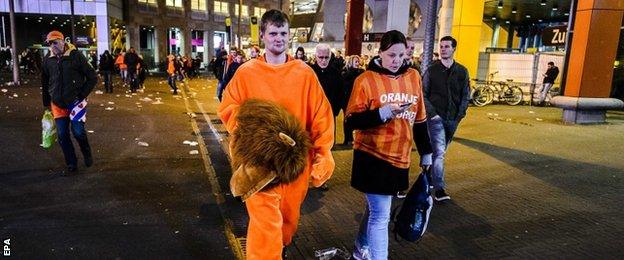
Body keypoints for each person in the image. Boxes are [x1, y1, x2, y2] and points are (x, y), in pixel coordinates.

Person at [217, 9, 335, 259]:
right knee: (265, 228)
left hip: (294, 167)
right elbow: (228, 108)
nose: (278, 38)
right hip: (258, 165)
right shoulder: (247, 73)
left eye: (283, 33)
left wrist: (324, 154)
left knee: (286, 226)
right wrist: (257, 133)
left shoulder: (304, 73)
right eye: (273, 33)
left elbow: (321, 116)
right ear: (262, 36)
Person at [345, 30, 432, 260]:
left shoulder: (413, 77)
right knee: (381, 215)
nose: (396, 60)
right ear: (380, 53)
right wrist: (382, 113)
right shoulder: (365, 81)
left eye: (401, 55)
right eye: (391, 55)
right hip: (372, 156)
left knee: (375, 210)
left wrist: (426, 152)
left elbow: (420, 118)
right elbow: (351, 121)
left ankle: (359, 247)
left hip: (400, 157)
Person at [41, 30, 98, 175]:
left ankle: (86, 153)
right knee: (62, 135)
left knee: (78, 132)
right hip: (57, 103)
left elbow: (92, 77)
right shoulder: (48, 60)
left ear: (62, 41)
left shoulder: (75, 56)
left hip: (76, 101)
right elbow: (45, 81)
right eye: (49, 43)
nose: (52, 46)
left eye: (55, 42)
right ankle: (71, 163)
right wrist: (47, 102)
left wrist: (82, 94)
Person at [423, 36, 470, 202]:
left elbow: (466, 94)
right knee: (439, 153)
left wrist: (460, 114)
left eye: (446, 46)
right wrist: (433, 113)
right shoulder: (432, 70)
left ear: (453, 49)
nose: (443, 49)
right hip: (436, 118)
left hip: (453, 119)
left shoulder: (462, 71)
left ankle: (427, 175)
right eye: (441, 46)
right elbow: (423, 94)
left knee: (439, 152)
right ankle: (439, 188)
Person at [312, 43, 344, 138]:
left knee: (328, 142)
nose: (323, 60)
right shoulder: (309, 71)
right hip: (313, 113)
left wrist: (335, 110)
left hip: (330, 112)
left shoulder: (336, 73)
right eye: (321, 57)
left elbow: (340, 93)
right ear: (316, 56)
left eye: (326, 57)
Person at [341, 55, 364, 145]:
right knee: (347, 119)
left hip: (358, 99)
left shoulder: (361, 72)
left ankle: (358, 139)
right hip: (348, 99)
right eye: (356, 62)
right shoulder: (345, 72)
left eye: (358, 62)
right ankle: (348, 139)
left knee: (359, 119)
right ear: (351, 62)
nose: (358, 64)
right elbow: (344, 85)